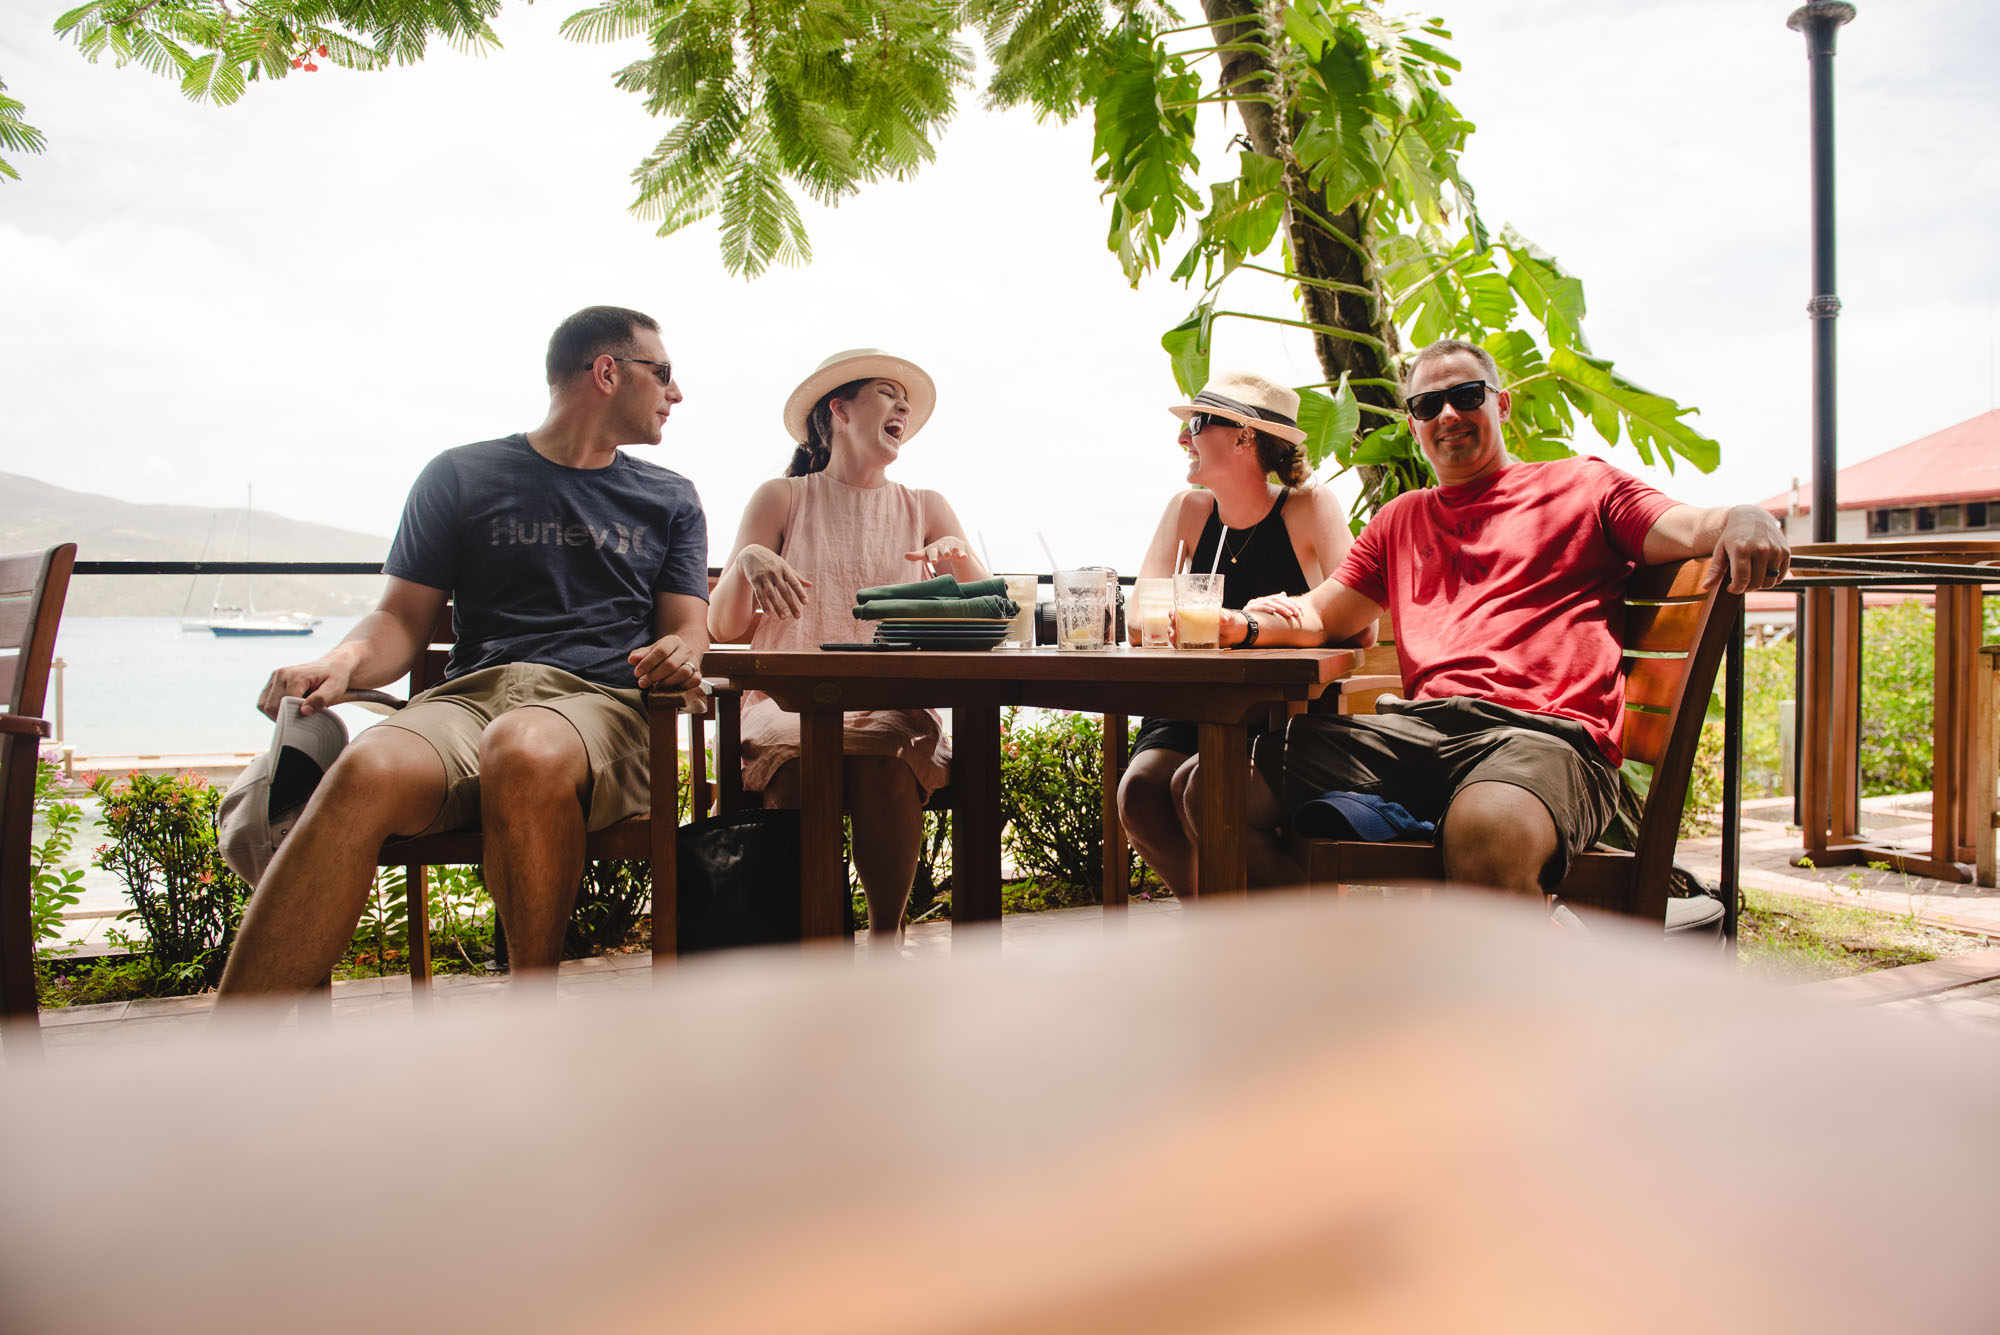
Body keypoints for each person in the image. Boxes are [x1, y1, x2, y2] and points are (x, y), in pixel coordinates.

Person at [217, 305, 710, 1003]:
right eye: (662, 373)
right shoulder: (459, 475)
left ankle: (530, 1020)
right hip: (469, 701)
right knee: (367, 765)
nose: (675, 392)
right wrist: (344, 662)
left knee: (525, 746)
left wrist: (679, 650)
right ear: (608, 372)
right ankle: (230, 1060)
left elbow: (690, 626)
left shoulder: (669, 498)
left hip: (598, 706)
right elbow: (399, 619)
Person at [1180, 337, 1792, 898]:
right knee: (1211, 786)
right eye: (1427, 405)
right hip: (1418, 735)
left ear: (1499, 404)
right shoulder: (1401, 519)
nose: (1447, 415)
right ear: (1414, 424)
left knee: (1486, 832)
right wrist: (1247, 624)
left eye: (1464, 396)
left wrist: (1743, 517)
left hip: (1543, 739)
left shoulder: (1581, 486)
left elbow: (1683, 526)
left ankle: (1519, 1012)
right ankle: (1328, 975)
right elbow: (1321, 615)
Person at [708, 349, 987, 945]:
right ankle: (809, 941)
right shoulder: (782, 498)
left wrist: (956, 555)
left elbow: (993, 617)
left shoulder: (926, 506)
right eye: (886, 393)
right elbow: (724, 627)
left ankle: (888, 940)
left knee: (882, 748)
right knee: (801, 757)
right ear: (839, 409)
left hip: (891, 699)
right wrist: (747, 562)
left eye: (903, 399)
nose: (903, 406)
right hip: (784, 701)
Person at [1119, 371, 1355, 896]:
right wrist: (1237, 612)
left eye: (1197, 425)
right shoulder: (1188, 511)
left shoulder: (1308, 507)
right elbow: (1138, 620)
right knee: (1139, 792)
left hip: (1283, 711)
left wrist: (1279, 614)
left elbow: (1362, 622)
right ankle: (1215, 927)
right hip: (1193, 701)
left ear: (1245, 437)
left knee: (1200, 788)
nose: (1183, 439)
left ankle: (1310, 936)